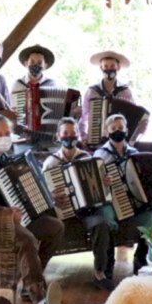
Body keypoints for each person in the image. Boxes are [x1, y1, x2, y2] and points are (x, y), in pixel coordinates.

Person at [0, 113, 65, 304]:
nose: (4, 138)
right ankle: (38, 298)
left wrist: (47, 196)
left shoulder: (6, 159)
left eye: (7, 133)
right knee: (27, 239)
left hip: (15, 217)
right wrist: (4, 212)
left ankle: (32, 277)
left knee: (55, 227)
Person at [42, 117, 116, 290]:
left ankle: (100, 272)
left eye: (73, 133)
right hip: (64, 211)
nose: (69, 137)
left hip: (88, 210)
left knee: (102, 223)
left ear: (78, 136)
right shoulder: (51, 162)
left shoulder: (87, 158)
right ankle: (39, 275)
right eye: (65, 133)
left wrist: (105, 182)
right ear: (58, 136)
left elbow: (103, 190)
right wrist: (52, 197)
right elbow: (43, 191)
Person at [94, 113, 152, 273]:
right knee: (106, 221)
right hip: (110, 201)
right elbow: (95, 186)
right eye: (113, 128)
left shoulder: (135, 153)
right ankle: (108, 262)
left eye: (121, 128)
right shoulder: (100, 155)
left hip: (134, 201)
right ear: (106, 131)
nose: (118, 131)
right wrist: (104, 182)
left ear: (127, 130)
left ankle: (140, 257)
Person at [9, 43, 65, 153]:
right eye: (32, 62)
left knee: (56, 158)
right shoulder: (18, 85)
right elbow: (13, 112)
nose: (36, 65)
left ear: (45, 66)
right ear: (26, 64)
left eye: (40, 63)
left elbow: (60, 111)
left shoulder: (52, 85)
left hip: (48, 137)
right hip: (24, 136)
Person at [80, 50, 139, 145]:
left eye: (112, 66)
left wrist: (131, 139)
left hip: (120, 141)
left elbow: (134, 116)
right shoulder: (92, 91)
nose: (109, 69)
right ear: (101, 68)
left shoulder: (125, 91)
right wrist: (84, 137)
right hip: (98, 140)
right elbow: (83, 118)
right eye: (105, 66)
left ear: (118, 67)